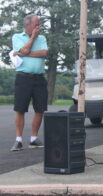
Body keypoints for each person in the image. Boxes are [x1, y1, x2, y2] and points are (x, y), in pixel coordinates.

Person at [10, 14, 48, 151]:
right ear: (27, 25)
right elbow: (24, 49)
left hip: (39, 78)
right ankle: (18, 140)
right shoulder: (17, 37)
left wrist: (25, 53)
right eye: (36, 25)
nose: (39, 27)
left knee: (40, 109)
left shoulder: (43, 38)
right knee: (20, 109)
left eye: (39, 24)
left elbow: (44, 52)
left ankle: (33, 139)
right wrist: (32, 38)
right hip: (23, 77)